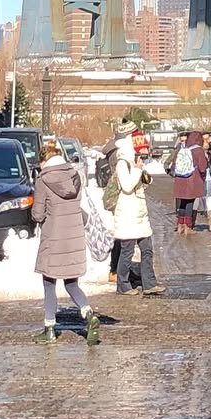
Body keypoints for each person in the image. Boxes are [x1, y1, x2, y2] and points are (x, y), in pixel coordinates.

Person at [31, 139, 100, 346]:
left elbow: (37, 214)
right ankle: (88, 314)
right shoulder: (74, 176)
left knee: (49, 283)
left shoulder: (43, 180)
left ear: (44, 160)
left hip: (53, 238)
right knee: (71, 283)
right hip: (74, 237)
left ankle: (49, 329)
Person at [112, 134, 166, 297]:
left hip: (140, 216)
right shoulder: (122, 164)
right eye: (141, 149)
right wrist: (137, 169)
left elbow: (140, 183)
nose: (144, 152)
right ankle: (123, 285)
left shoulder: (135, 163)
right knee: (127, 252)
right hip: (127, 215)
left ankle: (149, 284)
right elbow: (127, 186)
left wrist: (143, 174)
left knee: (147, 250)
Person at [98, 120, 137, 282]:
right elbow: (124, 178)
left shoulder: (115, 149)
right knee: (124, 235)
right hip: (121, 198)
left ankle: (119, 269)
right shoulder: (119, 153)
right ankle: (117, 270)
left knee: (124, 234)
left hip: (119, 196)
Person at [172, 131, 208, 235]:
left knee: (182, 203)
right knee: (190, 203)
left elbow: (174, 165)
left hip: (180, 180)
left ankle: (180, 225)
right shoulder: (198, 150)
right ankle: (188, 226)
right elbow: (202, 168)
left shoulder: (182, 148)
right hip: (192, 180)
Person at [197, 133, 211, 233]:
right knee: (209, 198)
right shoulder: (206, 154)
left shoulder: (200, 154)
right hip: (208, 178)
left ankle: (210, 220)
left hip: (205, 178)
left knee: (205, 197)